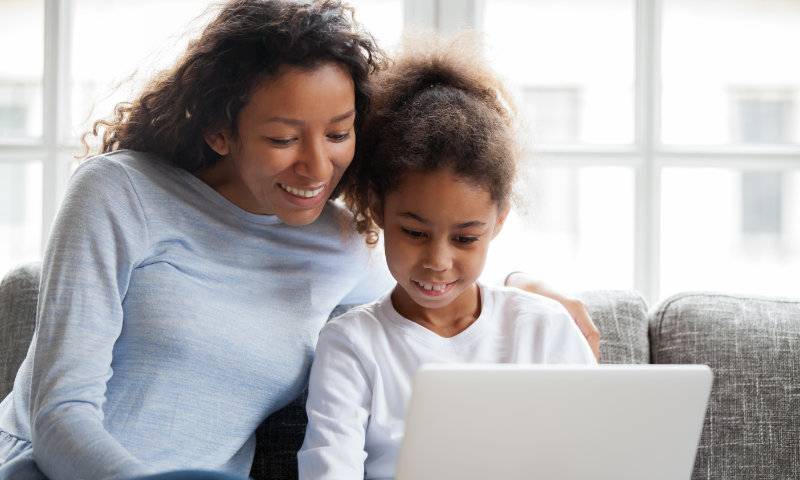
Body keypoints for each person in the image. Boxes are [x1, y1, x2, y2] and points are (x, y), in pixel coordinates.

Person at [0, 1, 596, 479]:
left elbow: (435, 253)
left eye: (338, 134)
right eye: (285, 138)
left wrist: (521, 281)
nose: (318, 169)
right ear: (219, 129)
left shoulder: (338, 242)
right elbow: (60, 415)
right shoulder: (119, 193)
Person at [297, 31, 597, 479]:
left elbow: (596, 453)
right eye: (415, 232)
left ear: (498, 223)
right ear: (377, 210)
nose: (437, 261)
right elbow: (328, 467)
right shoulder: (352, 345)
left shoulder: (545, 329)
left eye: (465, 239)